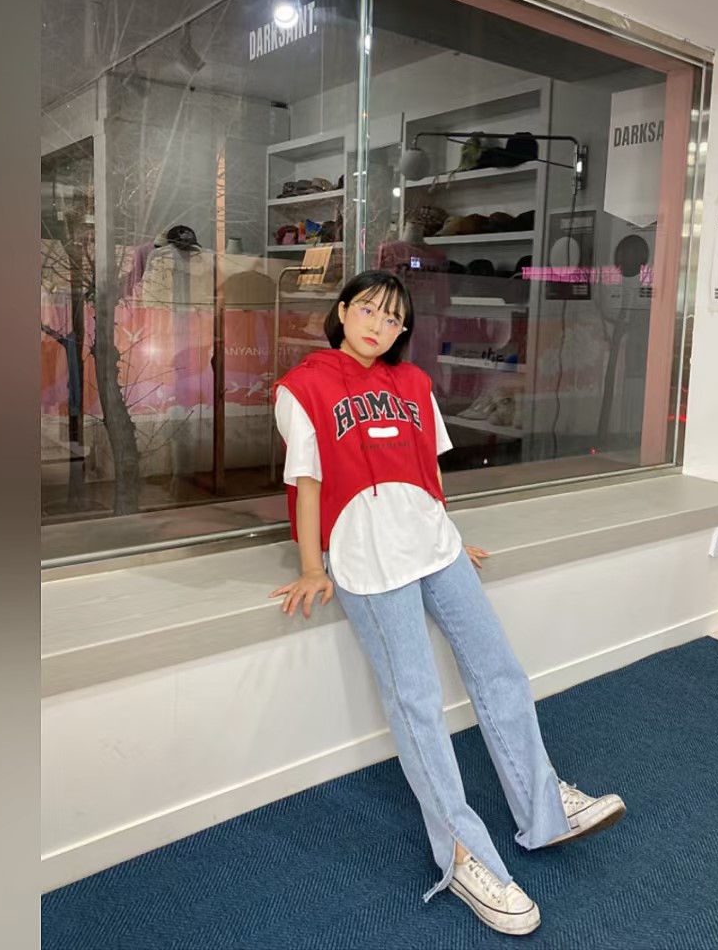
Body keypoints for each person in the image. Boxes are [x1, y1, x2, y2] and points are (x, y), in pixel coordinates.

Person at [270, 270, 625, 937]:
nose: (379, 325)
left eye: (393, 318)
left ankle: (544, 807)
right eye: (368, 310)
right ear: (342, 310)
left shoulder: (413, 384)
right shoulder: (304, 387)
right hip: (367, 558)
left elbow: (426, 472)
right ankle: (463, 855)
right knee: (418, 705)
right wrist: (313, 566)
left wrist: (449, 532)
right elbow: (307, 483)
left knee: (499, 670)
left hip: (434, 546)